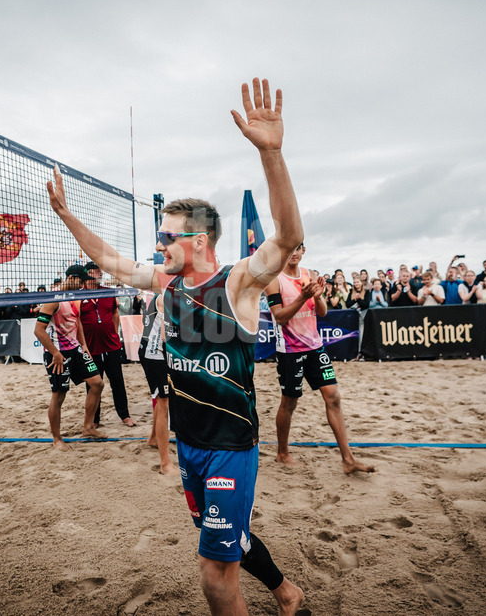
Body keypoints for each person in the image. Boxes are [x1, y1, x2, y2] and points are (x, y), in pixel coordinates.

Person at [45, 78, 305, 615]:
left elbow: (285, 237)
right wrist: (68, 218)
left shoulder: (238, 282)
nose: (159, 244)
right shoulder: (166, 283)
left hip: (231, 443)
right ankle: (285, 591)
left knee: (214, 574)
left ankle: (275, 591)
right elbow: (111, 260)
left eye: (168, 237)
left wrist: (271, 154)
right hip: (189, 443)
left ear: (199, 241)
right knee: (227, 540)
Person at [264, 244, 375, 474]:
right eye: (289, 249)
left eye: (297, 248)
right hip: (290, 351)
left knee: (333, 397)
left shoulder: (310, 274)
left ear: (303, 250)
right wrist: (302, 297)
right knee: (289, 402)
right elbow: (279, 317)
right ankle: (282, 454)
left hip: (315, 347)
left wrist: (317, 296)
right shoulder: (274, 279)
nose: (293, 253)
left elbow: (322, 312)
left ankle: (348, 459)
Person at [33, 265, 107, 450]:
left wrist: (84, 345)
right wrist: (55, 353)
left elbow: (77, 321)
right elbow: (38, 330)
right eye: (81, 281)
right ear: (71, 278)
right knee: (59, 395)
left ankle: (88, 428)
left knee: (97, 383)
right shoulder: (53, 300)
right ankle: (57, 439)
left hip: (75, 349)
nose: (82, 285)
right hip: (57, 353)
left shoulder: (75, 297)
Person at [80, 261, 136, 427]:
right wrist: (82, 344)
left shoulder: (108, 292)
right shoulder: (78, 295)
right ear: (87, 274)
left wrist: (115, 333)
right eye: (96, 271)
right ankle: (94, 419)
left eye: (100, 271)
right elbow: (77, 321)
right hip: (91, 347)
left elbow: (114, 312)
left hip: (111, 345)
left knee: (117, 381)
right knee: (93, 385)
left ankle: (125, 415)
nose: (100, 273)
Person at [138, 291, 175, 475]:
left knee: (163, 399)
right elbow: (165, 336)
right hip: (155, 353)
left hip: (154, 351)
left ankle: (153, 438)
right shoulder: (168, 296)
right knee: (164, 403)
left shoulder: (164, 294)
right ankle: (165, 463)